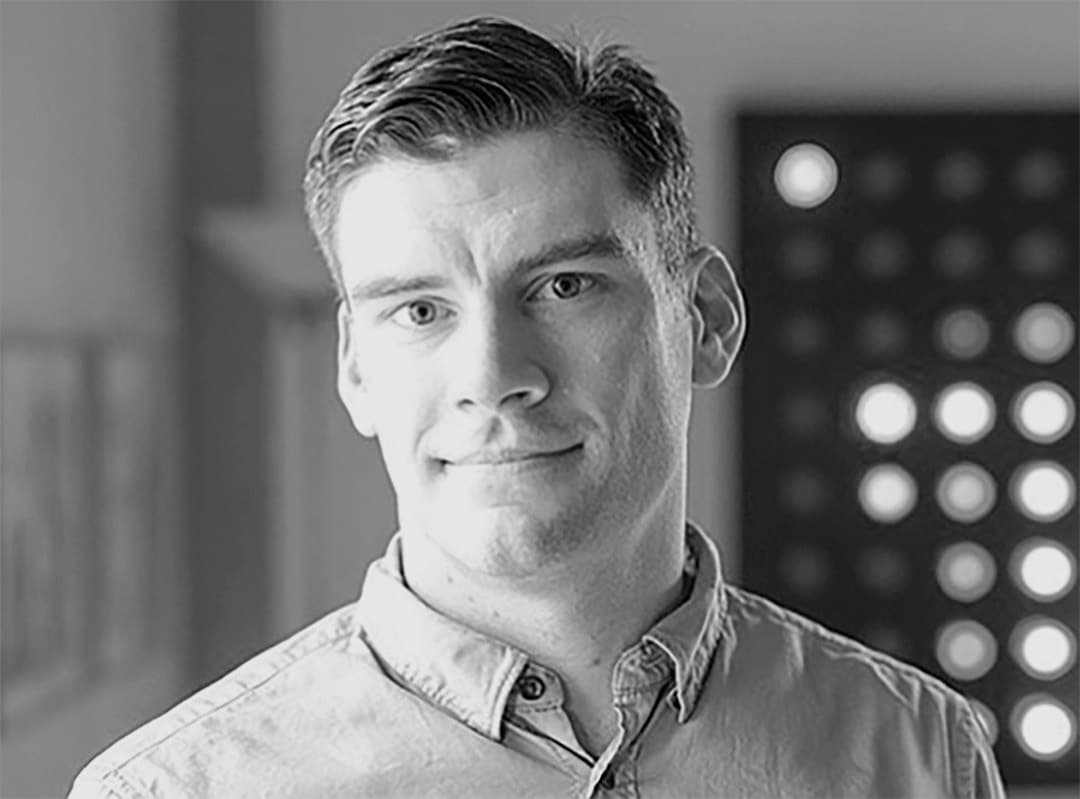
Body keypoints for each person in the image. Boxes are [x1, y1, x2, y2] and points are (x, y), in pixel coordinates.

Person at [71, 16, 1005, 798]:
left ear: (708, 319)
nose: (493, 374)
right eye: (420, 309)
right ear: (354, 367)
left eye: (563, 286)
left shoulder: (920, 753)